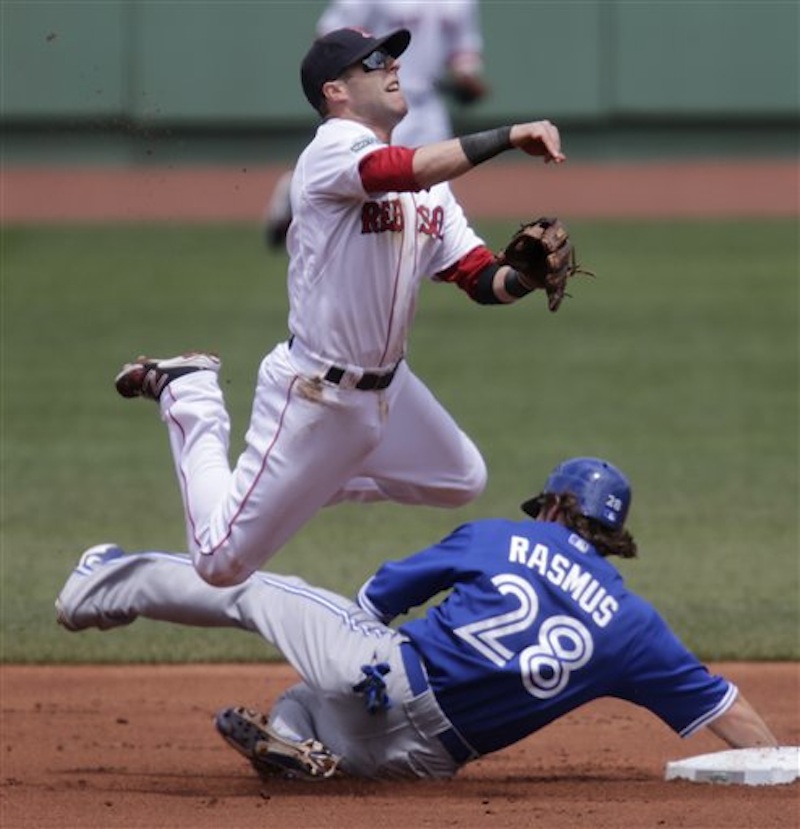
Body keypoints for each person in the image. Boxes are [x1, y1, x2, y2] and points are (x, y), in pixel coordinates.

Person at [114, 26, 573, 589]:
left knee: (460, 478)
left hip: (390, 390)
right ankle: (191, 394)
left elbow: (478, 277)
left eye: (395, 57)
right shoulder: (331, 149)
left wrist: (524, 276)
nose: (394, 67)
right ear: (336, 90)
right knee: (219, 563)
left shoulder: (432, 189)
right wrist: (506, 136)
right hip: (315, 395)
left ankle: (310, 478)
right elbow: (390, 173)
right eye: (376, 60)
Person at [55, 457, 779, 781]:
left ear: (556, 507)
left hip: (389, 676)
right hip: (425, 761)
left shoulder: (504, 536)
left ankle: (98, 585)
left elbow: (375, 598)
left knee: (250, 586)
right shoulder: (632, 624)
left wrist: (355, 649)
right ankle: (298, 742)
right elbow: (725, 706)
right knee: (310, 698)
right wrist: (781, 761)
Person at [266, 0, 489, 247]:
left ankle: (439, 259)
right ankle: (299, 190)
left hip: (428, 101)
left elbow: (463, 47)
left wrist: (466, 75)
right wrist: (366, 69)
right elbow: (331, 36)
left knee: (435, 189)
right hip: (379, 103)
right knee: (379, 177)